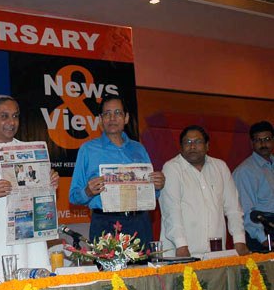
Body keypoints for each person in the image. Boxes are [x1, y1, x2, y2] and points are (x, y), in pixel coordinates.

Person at [0, 95, 59, 275]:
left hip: (30, 245)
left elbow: (41, 201)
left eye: (15, 116)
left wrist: (50, 184)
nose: (11, 122)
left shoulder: (30, 152)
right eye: (4, 116)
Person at [69, 94, 165, 246]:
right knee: (107, 270)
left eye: (117, 113)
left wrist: (157, 186)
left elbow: (151, 191)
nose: (112, 118)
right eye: (107, 114)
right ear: (100, 120)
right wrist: (87, 191)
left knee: (144, 269)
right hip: (105, 224)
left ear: (126, 118)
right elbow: (73, 196)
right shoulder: (87, 150)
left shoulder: (139, 149)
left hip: (139, 223)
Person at [159, 125, 249, 257]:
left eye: (198, 142)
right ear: (181, 147)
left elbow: (233, 207)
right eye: (187, 142)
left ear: (208, 146)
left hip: (216, 253)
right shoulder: (172, 168)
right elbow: (171, 211)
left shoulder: (220, 167)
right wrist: (181, 245)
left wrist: (239, 240)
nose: (192, 146)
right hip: (181, 253)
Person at [233, 121, 274, 252]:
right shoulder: (245, 171)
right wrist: (262, 238)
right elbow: (245, 210)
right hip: (262, 234)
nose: (263, 144)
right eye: (258, 140)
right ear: (252, 143)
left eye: (267, 139)